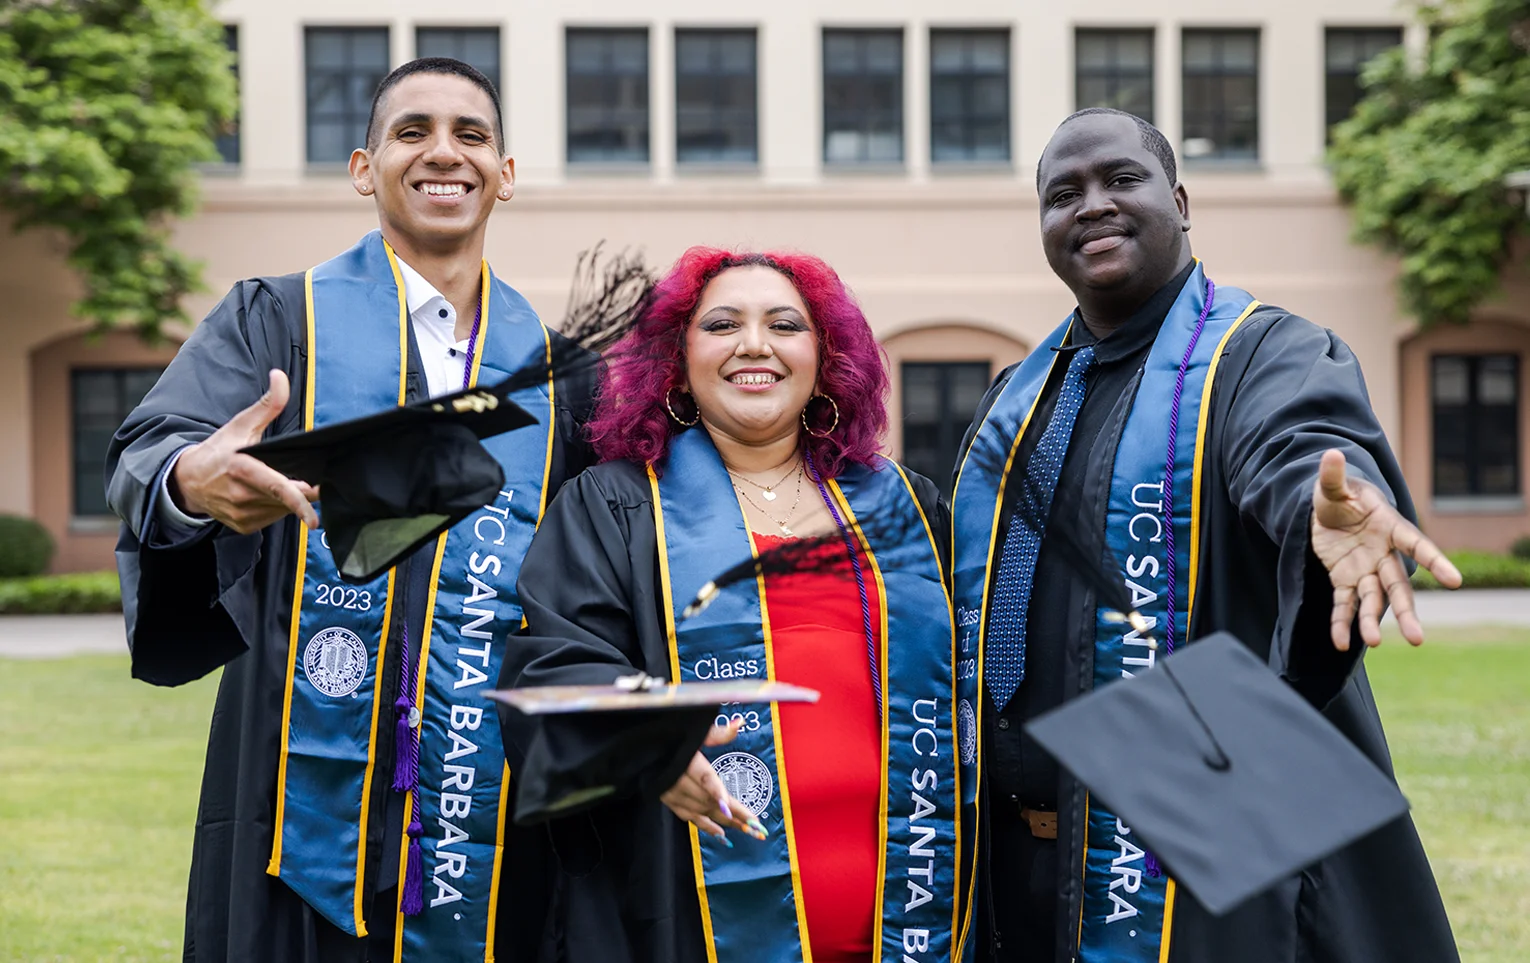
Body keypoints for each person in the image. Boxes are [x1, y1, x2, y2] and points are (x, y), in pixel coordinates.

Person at [106, 58, 594, 963]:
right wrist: (188, 480)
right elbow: (148, 454)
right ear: (365, 168)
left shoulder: (562, 380)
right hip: (293, 793)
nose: (443, 153)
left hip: (487, 798)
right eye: (412, 132)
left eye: (470, 135)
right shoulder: (276, 322)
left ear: (507, 175)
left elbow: (604, 576)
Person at [949, 108, 1463, 963]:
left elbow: (1296, 441)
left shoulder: (1265, 354)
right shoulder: (1016, 401)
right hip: (1017, 868)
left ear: (1181, 201)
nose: (1092, 206)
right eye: (1063, 194)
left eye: (1122, 180)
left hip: (1203, 845)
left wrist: (1322, 503)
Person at [495, 248, 973, 963]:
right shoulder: (617, 507)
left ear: (825, 356)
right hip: (688, 915)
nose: (755, 344)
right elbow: (553, 666)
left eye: (785, 324)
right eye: (722, 324)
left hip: (908, 917)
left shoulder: (907, 506)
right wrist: (642, 746)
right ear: (677, 360)